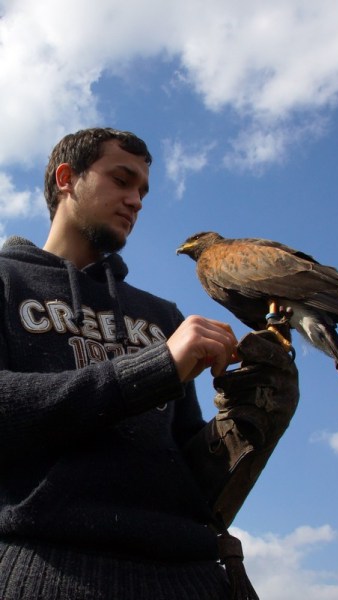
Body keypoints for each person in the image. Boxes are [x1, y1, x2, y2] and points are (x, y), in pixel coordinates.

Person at [0, 127, 299, 600]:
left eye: (142, 190)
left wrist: (249, 423)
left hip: (192, 577)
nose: (136, 200)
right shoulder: (6, 281)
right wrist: (153, 370)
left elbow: (187, 473)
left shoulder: (163, 316)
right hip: (47, 571)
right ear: (66, 179)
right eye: (121, 180)